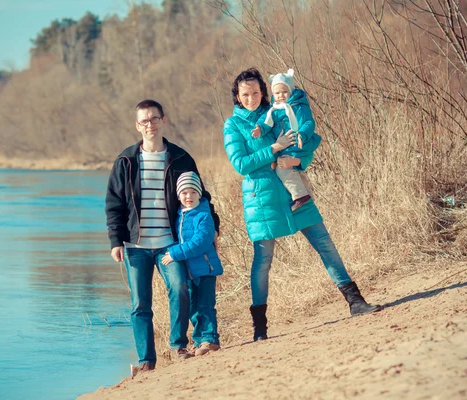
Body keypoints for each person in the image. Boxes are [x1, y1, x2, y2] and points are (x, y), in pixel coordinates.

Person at [223, 68, 381, 342]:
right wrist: (272, 149)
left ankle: (356, 302)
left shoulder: (281, 109)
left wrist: (297, 161)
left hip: (296, 193)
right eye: (245, 94)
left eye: (256, 92)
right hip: (262, 201)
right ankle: (260, 329)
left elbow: (306, 142)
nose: (251, 98)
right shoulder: (233, 125)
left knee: (325, 244)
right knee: (263, 262)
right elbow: (240, 164)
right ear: (237, 96)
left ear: (264, 91)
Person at [105, 99, 220, 374]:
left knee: (179, 289)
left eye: (154, 119)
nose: (150, 125)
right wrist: (115, 241)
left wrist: (213, 225)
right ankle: (146, 361)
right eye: (144, 121)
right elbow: (114, 204)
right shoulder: (125, 161)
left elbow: (201, 195)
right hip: (135, 246)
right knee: (140, 305)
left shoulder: (181, 158)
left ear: (163, 121)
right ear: (137, 126)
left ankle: (178, 346)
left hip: (170, 244)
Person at [161, 171, 223, 356]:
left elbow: (201, 241)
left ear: (199, 193)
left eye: (193, 192)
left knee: (206, 305)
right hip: (189, 271)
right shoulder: (180, 214)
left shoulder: (203, 215)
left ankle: (210, 339)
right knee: (194, 309)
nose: (189, 197)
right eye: (184, 193)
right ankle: (198, 342)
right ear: (178, 195)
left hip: (205, 269)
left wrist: (175, 253)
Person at [251, 68, 322, 211]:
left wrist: (302, 134)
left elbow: (308, 122)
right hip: (285, 147)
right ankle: (302, 198)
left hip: (298, 145)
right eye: (277, 93)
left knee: (282, 169)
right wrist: (260, 128)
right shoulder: (275, 110)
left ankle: (301, 196)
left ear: (291, 90)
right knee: (279, 167)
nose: (281, 96)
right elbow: (266, 121)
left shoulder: (298, 107)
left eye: (284, 91)